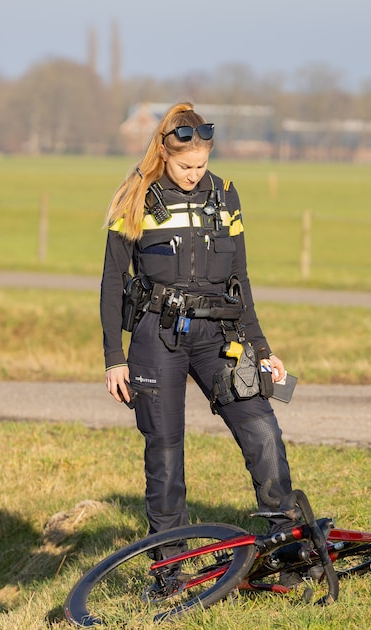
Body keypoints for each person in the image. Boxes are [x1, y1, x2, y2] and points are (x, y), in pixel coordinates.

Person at [100, 102, 293, 540]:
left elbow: (239, 280)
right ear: (164, 155)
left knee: (262, 431)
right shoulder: (134, 196)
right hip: (156, 336)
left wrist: (262, 349)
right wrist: (114, 358)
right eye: (185, 165)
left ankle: (284, 543)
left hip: (219, 336)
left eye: (201, 164)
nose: (194, 174)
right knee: (165, 455)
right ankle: (171, 566)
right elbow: (113, 282)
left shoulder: (225, 195)